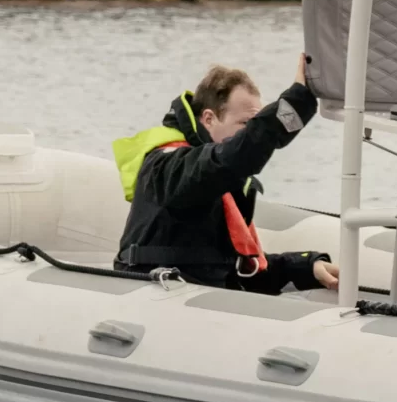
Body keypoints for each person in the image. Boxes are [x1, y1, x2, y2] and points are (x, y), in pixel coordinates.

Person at [113, 64, 338, 293]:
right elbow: (235, 155)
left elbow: (244, 272)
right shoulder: (167, 166)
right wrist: (297, 101)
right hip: (158, 303)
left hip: (205, 300)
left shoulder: (221, 178)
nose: (251, 132)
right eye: (245, 124)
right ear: (209, 119)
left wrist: (305, 266)